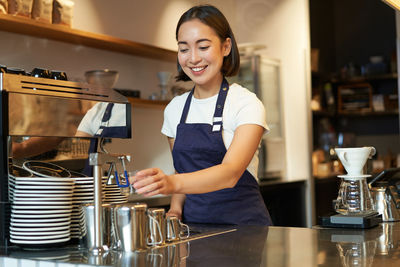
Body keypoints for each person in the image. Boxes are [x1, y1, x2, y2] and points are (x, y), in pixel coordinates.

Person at [131, 5, 272, 226]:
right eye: (184, 49)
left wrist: (171, 182)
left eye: (203, 46)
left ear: (226, 47)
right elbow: (182, 170)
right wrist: (175, 209)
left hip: (245, 230)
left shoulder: (246, 104)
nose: (193, 58)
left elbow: (230, 173)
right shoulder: (174, 109)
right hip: (194, 229)